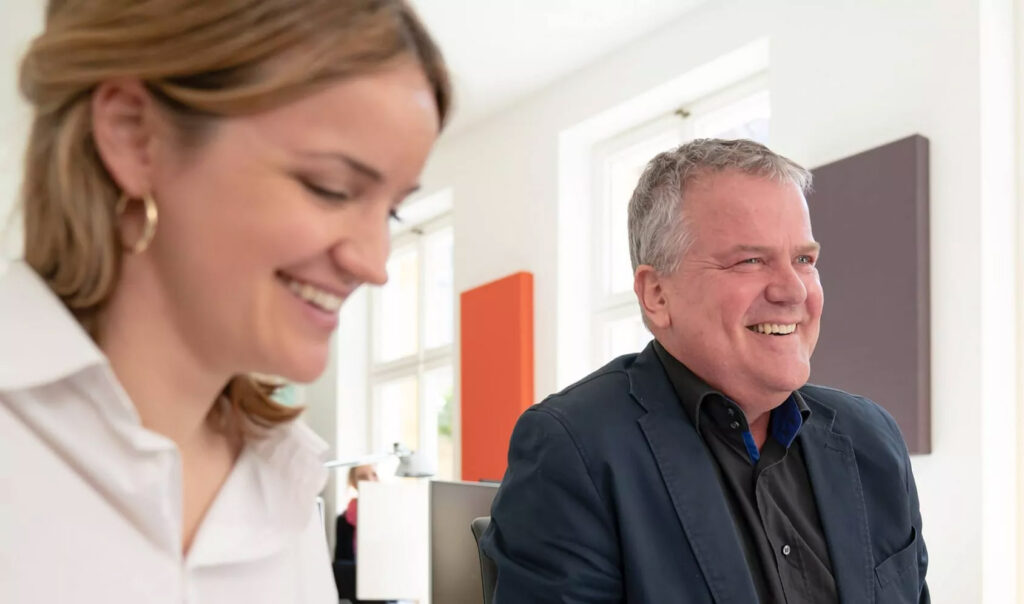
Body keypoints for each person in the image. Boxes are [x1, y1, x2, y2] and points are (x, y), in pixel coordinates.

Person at [0, 1, 449, 602]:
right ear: (134, 136)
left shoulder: (282, 483)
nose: (375, 264)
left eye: (391, 211)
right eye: (331, 189)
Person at [481, 139, 929, 603]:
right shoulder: (575, 450)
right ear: (656, 295)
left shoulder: (871, 439)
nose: (794, 290)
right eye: (750, 261)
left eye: (804, 260)